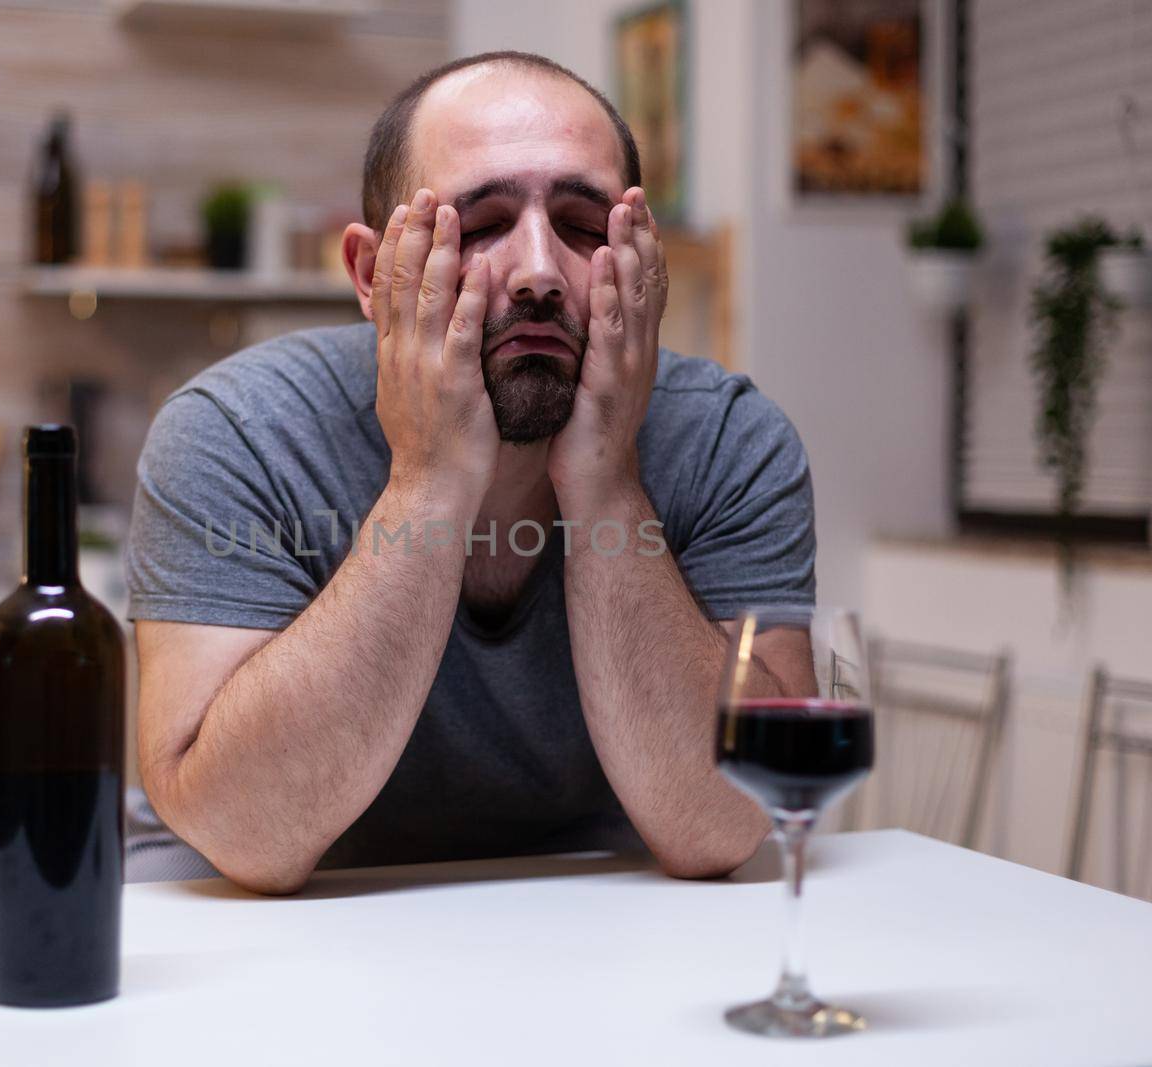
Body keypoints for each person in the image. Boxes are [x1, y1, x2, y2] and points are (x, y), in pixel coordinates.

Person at [126, 51, 817, 895]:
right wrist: (428, 477)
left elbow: (728, 821)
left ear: (639, 260)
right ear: (371, 275)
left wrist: (606, 478)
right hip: (268, 919)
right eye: (481, 224)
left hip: (589, 904)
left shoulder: (729, 441)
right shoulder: (236, 431)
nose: (537, 273)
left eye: (583, 225)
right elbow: (245, 832)